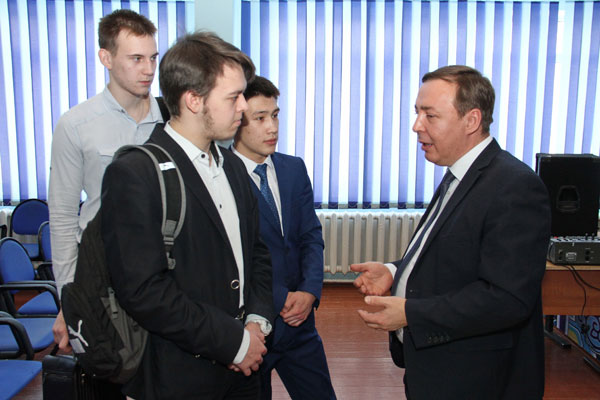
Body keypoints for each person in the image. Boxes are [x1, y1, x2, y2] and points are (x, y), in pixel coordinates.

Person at [351, 65, 551, 399]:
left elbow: (507, 298)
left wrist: (410, 313)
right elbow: (452, 257)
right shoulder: (460, 173)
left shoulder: (515, 187)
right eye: (417, 113)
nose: (416, 126)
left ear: (471, 121)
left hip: (477, 380)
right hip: (438, 370)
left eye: (430, 115)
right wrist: (394, 272)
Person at [100, 32, 274, 399]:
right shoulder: (135, 174)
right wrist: (232, 342)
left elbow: (256, 252)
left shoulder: (233, 167)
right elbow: (144, 291)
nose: (243, 106)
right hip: (180, 374)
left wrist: (256, 322)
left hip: (248, 369)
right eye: (233, 97)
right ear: (194, 100)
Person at [48, 9, 162, 349]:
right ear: (106, 58)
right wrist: (69, 300)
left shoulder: (172, 120)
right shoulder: (76, 124)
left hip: (165, 275)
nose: (149, 69)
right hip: (103, 275)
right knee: (114, 367)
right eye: (136, 59)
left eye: (153, 57)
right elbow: (63, 217)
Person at [232, 76, 336, 400]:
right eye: (260, 118)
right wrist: (281, 299)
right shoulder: (222, 178)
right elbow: (233, 259)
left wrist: (309, 291)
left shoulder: (293, 169)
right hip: (251, 328)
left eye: (275, 115)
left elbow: (310, 235)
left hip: (300, 323)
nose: (272, 127)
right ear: (236, 120)